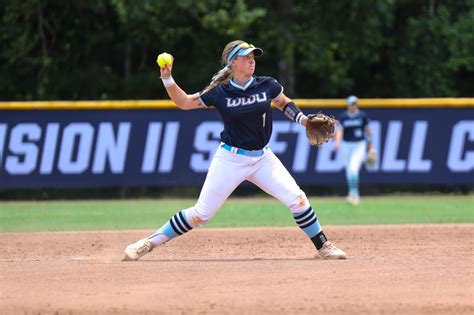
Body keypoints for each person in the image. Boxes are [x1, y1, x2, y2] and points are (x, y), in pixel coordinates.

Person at [123, 40, 346, 261]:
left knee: (297, 199)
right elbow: (184, 103)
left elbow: (283, 103)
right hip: (230, 159)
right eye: (246, 56)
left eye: (253, 56)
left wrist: (304, 120)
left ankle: (323, 245)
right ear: (233, 62)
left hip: (262, 158)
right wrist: (167, 78)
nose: (251, 60)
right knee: (201, 214)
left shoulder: (266, 84)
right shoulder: (220, 92)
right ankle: (146, 243)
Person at [333, 95, 373, 206]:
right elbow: (340, 130)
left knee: (353, 168)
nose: (353, 106)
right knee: (348, 170)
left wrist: (370, 147)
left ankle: (354, 193)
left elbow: (369, 132)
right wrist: (337, 141)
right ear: (348, 105)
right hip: (346, 144)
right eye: (351, 104)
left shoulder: (362, 115)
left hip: (359, 144)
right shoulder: (344, 116)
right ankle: (353, 194)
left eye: (354, 104)